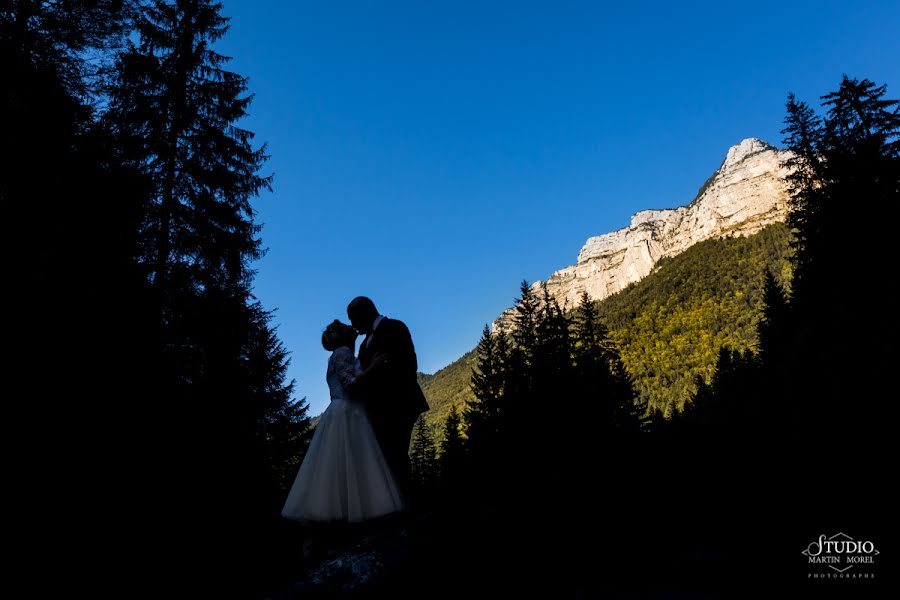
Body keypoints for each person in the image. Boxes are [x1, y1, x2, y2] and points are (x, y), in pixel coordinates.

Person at [281, 320, 404, 523]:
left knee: (343, 464)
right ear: (342, 335)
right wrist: (374, 367)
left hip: (344, 410)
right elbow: (350, 384)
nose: (351, 326)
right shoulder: (342, 352)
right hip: (348, 412)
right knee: (352, 461)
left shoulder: (342, 352)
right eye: (346, 326)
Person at [346, 297, 429, 498]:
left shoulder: (395, 327)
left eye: (353, 319)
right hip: (378, 411)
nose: (353, 326)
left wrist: (378, 371)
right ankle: (400, 507)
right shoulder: (364, 345)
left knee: (396, 457)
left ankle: (409, 509)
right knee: (389, 459)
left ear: (364, 314)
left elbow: (409, 364)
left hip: (401, 403)